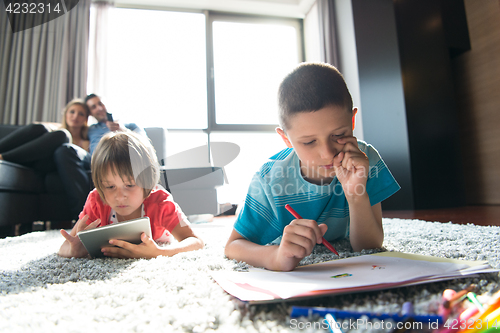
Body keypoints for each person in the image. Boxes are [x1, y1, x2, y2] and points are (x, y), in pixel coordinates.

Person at [224, 63, 400, 271]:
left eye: (339, 135)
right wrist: (276, 257)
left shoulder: (364, 159)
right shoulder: (268, 180)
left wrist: (355, 194)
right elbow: (233, 246)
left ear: (352, 121)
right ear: (286, 139)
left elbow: (369, 247)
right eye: (308, 142)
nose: (327, 153)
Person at [58, 131, 204, 259]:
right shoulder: (96, 200)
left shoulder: (161, 202)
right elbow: (65, 246)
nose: (120, 196)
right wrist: (73, 250)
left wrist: (159, 252)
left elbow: (195, 241)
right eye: (110, 186)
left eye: (129, 185)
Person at [54, 93, 146, 219]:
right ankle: (80, 217)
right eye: (93, 107)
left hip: (122, 160)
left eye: (100, 104)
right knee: (67, 149)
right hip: (95, 162)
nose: (99, 108)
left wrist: (123, 131)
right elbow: (70, 127)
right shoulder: (90, 129)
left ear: (106, 104)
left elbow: (145, 144)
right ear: (90, 113)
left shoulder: (130, 126)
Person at [0, 99, 90, 173]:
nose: (75, 116)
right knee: (40, 127)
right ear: (66, 115)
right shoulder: (55, 132)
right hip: (28, 157)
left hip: (46, 164)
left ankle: (3, 157)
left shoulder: (85, 142)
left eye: (81, 114)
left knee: (63, 135)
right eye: (72, 112)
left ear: (85, 120)